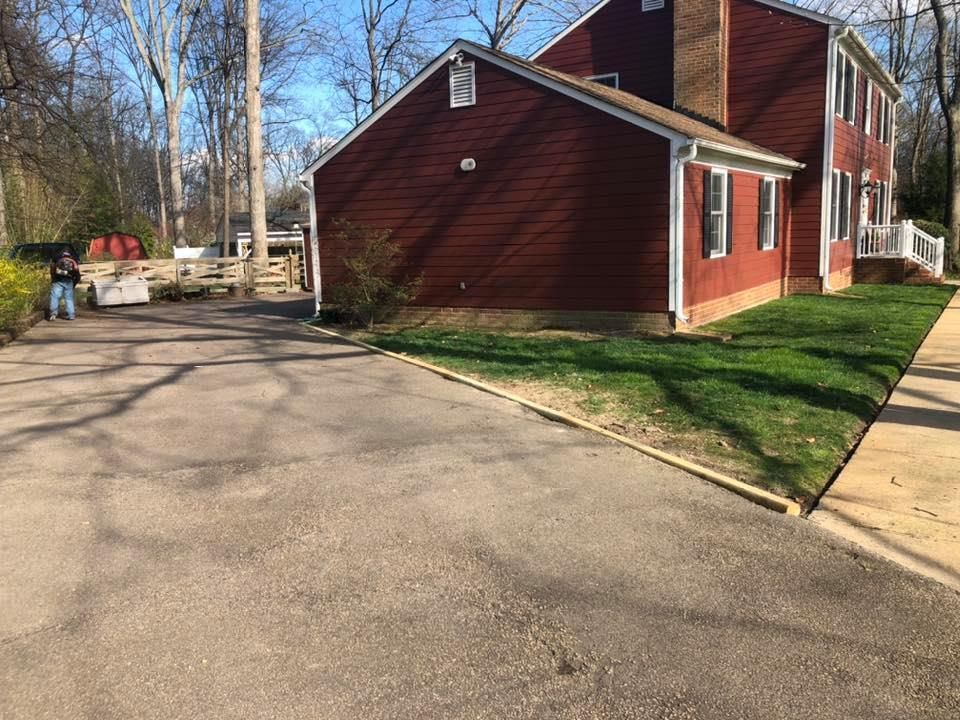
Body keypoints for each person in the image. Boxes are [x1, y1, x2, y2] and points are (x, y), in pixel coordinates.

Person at [49, 249, 80, 321]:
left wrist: (53, 279)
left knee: (55, 297)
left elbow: (52, 269)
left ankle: (53, 313)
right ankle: (71, 315)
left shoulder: (57, 258)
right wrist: (74, 284)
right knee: (69, 298)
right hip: (69, 281)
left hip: (57, 281)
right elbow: (77, 274)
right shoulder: (73, 260)